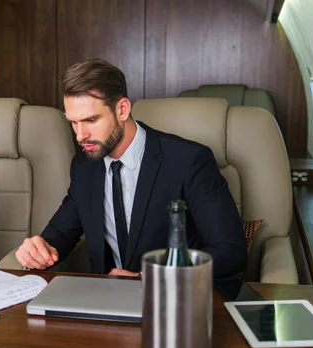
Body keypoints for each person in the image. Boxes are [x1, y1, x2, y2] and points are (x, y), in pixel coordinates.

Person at [15, 58, 246, 278]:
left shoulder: (189, 160)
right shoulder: (84, 166)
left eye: (91, 120)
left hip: (175, 301)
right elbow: (63, 231)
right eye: (73, 122)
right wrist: (39, 248)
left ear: (122, 109)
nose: (80, 135)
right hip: (108, 304)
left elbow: (230, 252)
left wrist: (148, 276)